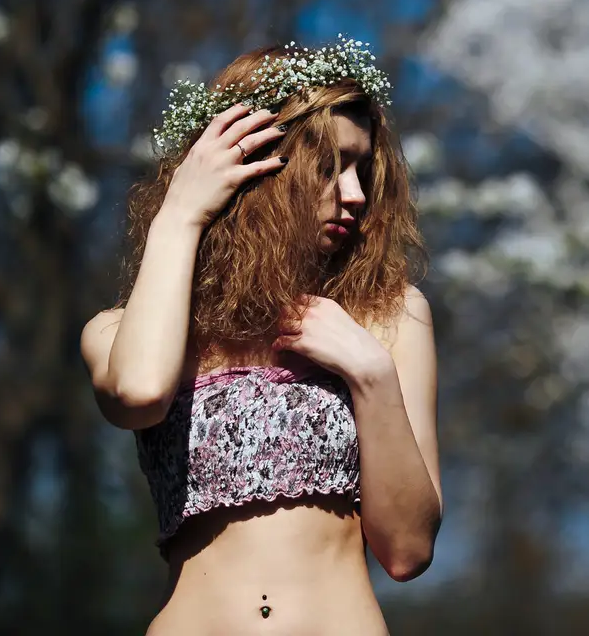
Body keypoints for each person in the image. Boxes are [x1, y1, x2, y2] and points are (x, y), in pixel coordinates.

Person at [79, 37, 442, 635]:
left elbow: (408, 550)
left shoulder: (390, 318)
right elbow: (139, 393)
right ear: (255, 165)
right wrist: (180, 214)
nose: (355, 194)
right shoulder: (116, 332)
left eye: (362, 169)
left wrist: (370, 373)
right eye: (329, 166)